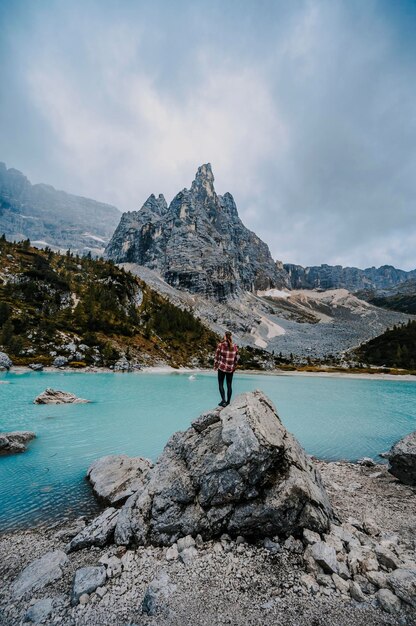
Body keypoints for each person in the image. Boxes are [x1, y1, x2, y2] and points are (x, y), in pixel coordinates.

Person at [213, 331, 239, 407]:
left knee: (221, 384)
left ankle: (223, 401)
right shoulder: (234, 346)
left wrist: (215, 366)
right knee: (229, 385)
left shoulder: (220, 345)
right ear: (231, 336)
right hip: (230, 369)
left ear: (225, 336)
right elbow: (237, 357)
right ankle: (228, 402)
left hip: (222, 368)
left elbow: (217, 357)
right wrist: (234, 366)